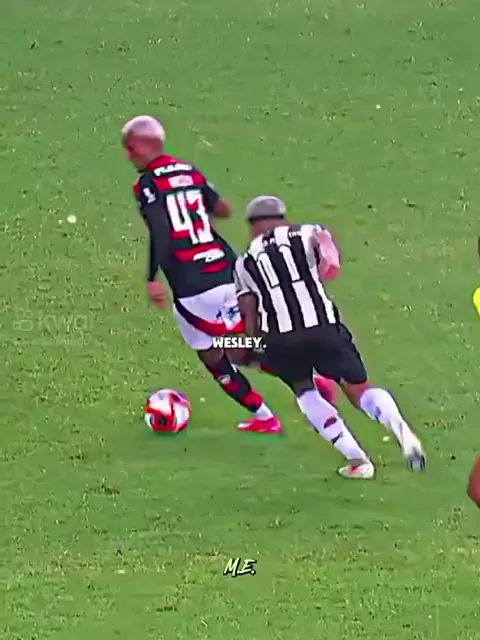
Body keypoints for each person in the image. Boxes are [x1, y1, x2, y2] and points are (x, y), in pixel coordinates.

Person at [233, 195, 427, 477]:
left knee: (305, 392)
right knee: (358, 389)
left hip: (281, 339)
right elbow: (331, 263)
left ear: (252, 225)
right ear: (283, 217)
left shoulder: (244, 262)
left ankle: (358, 461)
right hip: (324, 327)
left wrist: (253, 346)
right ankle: (401, 430)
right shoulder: (310, 232)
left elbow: (248, 314)